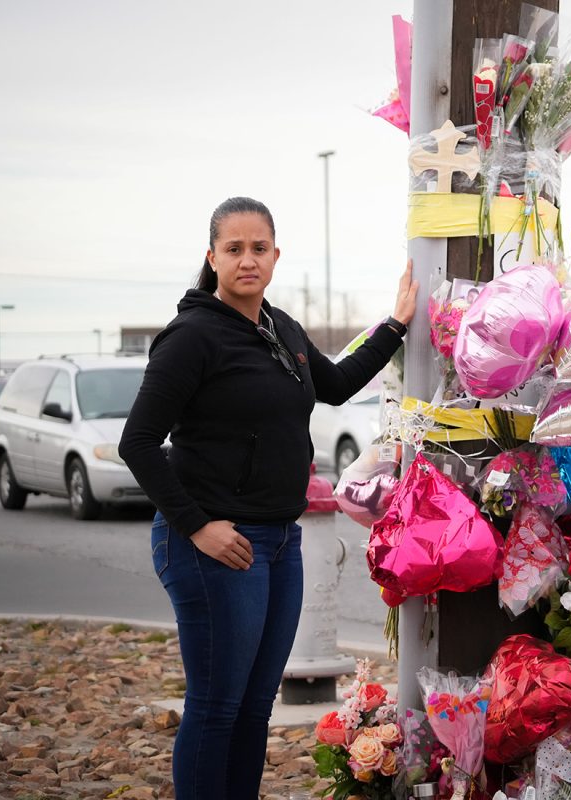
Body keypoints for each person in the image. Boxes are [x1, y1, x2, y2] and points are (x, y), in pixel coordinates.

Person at [119, 196, 418, 800]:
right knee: (217, 704)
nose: (247, 260)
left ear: (276, 256)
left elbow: (334, 386)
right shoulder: (191, 337)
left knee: (255, 706)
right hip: (216, 547)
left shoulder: (281, 329)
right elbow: (139, 443)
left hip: (281, 542)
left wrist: (395, 326)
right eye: (234, 249)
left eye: (259, 248)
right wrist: (199, 527)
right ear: (212, 257)